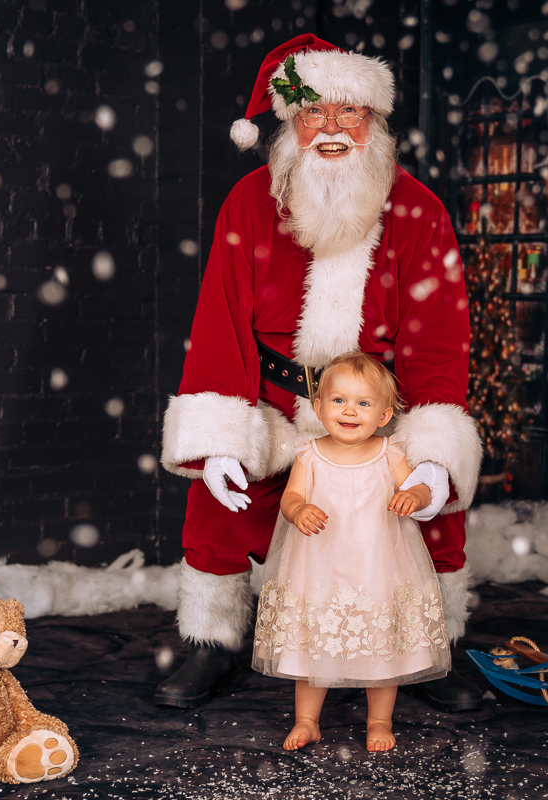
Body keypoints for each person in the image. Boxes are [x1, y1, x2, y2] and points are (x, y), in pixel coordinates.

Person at [157, 33, 482, 713]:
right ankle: (214, 642)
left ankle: (432, 645)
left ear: (374, 120)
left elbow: (439, 338)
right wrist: (220, 435)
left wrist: (431, 454)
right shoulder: (250, 202)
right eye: (313, 115)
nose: (331, 130)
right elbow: (221, 319)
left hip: (379, 410)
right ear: (289, 122)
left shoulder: (418, 211)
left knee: (429, 519)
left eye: (348, 114)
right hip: (277, 399)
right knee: (219, 505)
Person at [251, 352, 450, 752]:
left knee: (382, 643)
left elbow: (422, 487)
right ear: (319, 407)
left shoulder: (389, 452)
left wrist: (414, 494)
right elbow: (291, 498)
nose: (349, 411)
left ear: (383, 415)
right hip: (319, 568)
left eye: (363, 403)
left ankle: (379, 720)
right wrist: (299, 510)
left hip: (378, 566)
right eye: (339, 401)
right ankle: (307, 720)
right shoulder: (309, 455)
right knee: (311, 643)